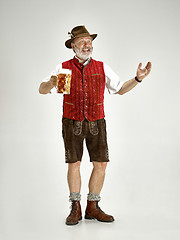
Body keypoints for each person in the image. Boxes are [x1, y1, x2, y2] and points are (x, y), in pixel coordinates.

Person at [39, 25, 152, 225]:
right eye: (82, 42)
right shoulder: (63, 67)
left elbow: (120, 89)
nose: (86, 45)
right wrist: (51, 83)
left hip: (97, 121)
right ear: (73, 46)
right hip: (71, 120)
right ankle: (75, 207)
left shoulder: (102, 66)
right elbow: (42, 89)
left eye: (89, 42)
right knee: (74, 163)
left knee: (101, 164)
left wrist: (137, 79)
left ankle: (93, 206)